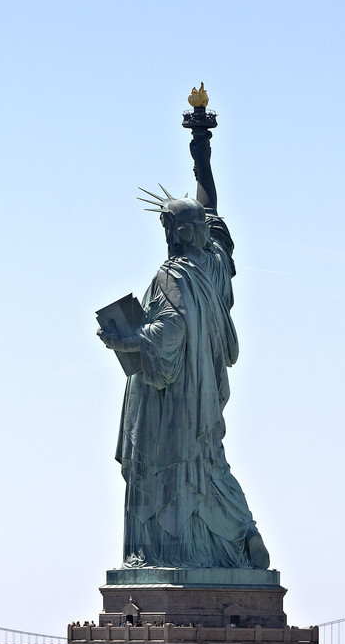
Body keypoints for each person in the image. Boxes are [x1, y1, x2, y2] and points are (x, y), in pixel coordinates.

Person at [97, 190, 268, 570]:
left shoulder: (171, 274)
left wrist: (123, 340)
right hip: (203, 399)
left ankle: (172, 553)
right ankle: (241, 533)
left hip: (171, 401)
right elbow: (212, 215)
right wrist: (202, 150)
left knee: (168, 473)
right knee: (207, 467)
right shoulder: (214, 267)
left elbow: (170, 330)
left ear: (174, 232)